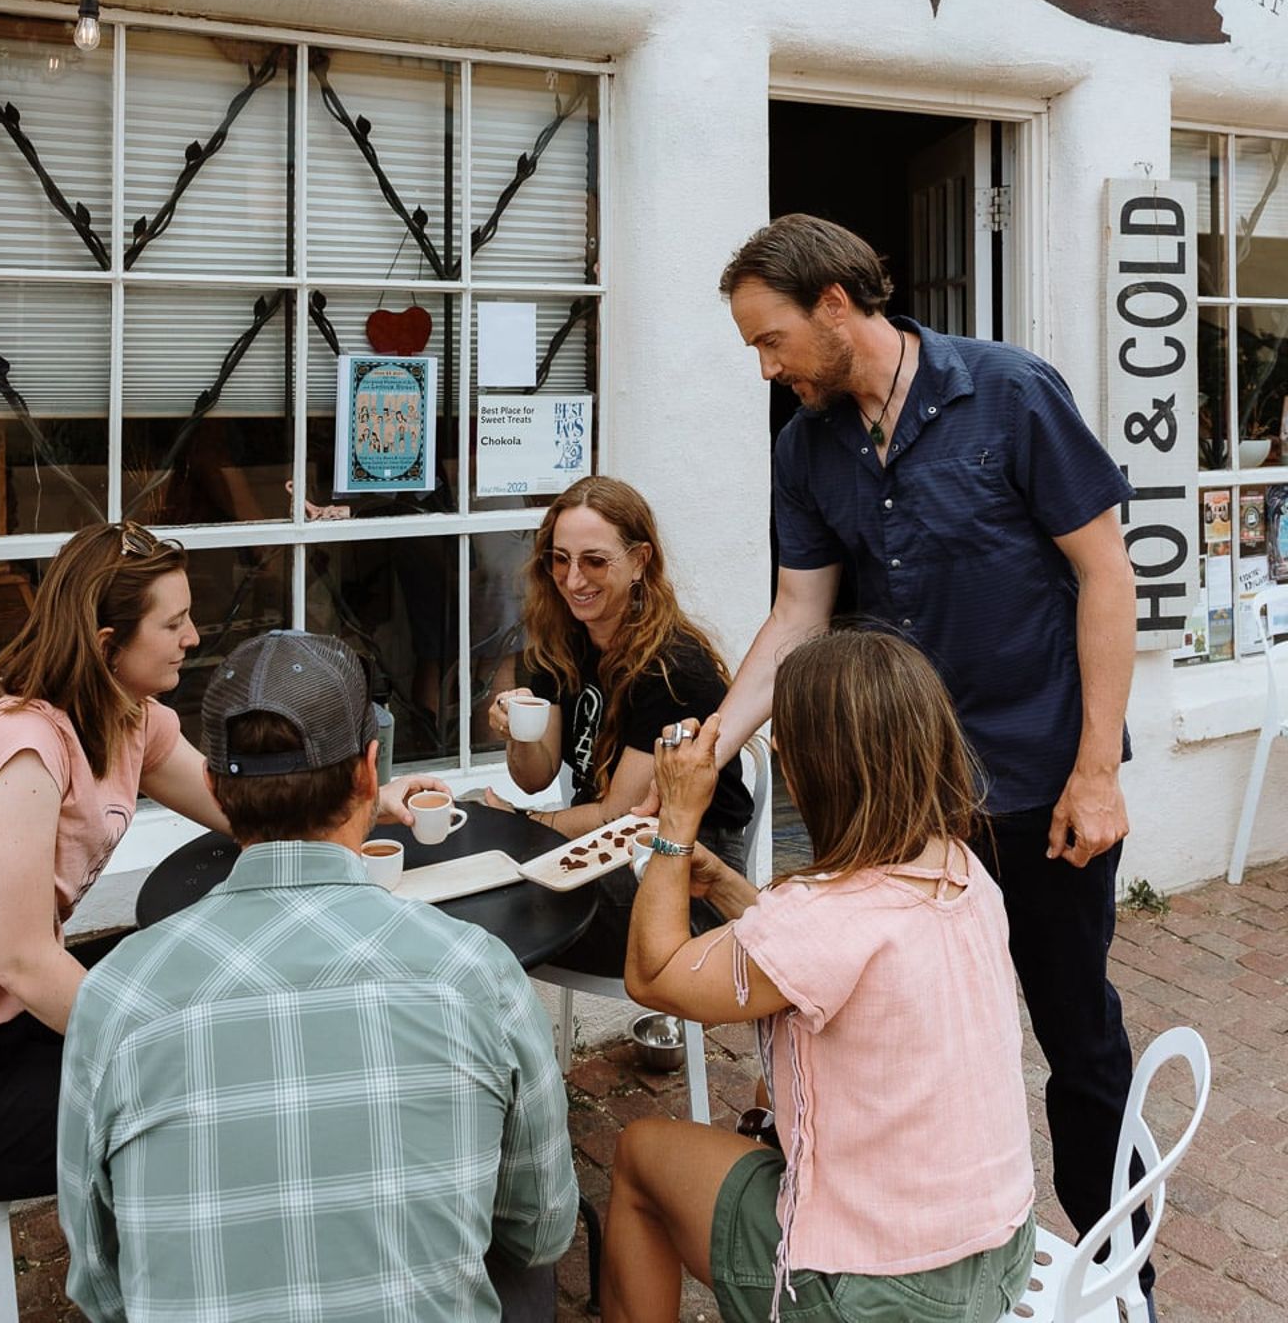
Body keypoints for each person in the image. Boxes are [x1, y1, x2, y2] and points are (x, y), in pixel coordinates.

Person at [705, 213, 1145, 1304]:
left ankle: (1123, 1276)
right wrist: (711, 743)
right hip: (908, 804)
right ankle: (939, 1260)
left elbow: (1107, 575)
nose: (765, 368)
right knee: (919, 1039)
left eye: (770, 340)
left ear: (836, 305)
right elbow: (799, 614)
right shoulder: (806, 446)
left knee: (1076, 1037)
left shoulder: (1010, 392)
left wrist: (1097, 771)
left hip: (1042, 786)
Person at [0, 520, 444, 1204]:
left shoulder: (130, 718)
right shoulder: (23, 750)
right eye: (173, 623)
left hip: (10, 1026)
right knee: (194, 1104)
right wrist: (164, 1048)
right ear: (108, 645)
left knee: (199, 996)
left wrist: (367, 800)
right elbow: (23, 961)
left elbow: (245, 811)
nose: (193, 638)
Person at [57, 629, 578, 1323]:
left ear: (214, 787)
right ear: (369, 774)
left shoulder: (115, 996)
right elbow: (541, 1229)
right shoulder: (477, 975)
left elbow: (99, 1281)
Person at [602, 626, 1037, 1323]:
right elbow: (821, 959)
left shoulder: (824, 914)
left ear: (816, 770)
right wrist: (727, 889)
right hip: (998, 1256)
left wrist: (677, 824)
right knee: (760, 1112)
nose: (778, 750)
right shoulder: (965, 870)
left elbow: (653, 975)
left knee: (639, 1155)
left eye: (786, 743)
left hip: (881, 1295)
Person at [485, 476, 752, 973]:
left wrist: (518, 825)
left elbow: (618, 815)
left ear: (640, 561)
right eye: (559, 559)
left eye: (594, 561)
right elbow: (535, 777)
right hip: (600, 851)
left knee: (497, 908)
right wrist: (517, 731)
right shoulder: (562, 640)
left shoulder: (672, 667)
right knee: (477, 883)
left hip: (686, 873)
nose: (573, 580)